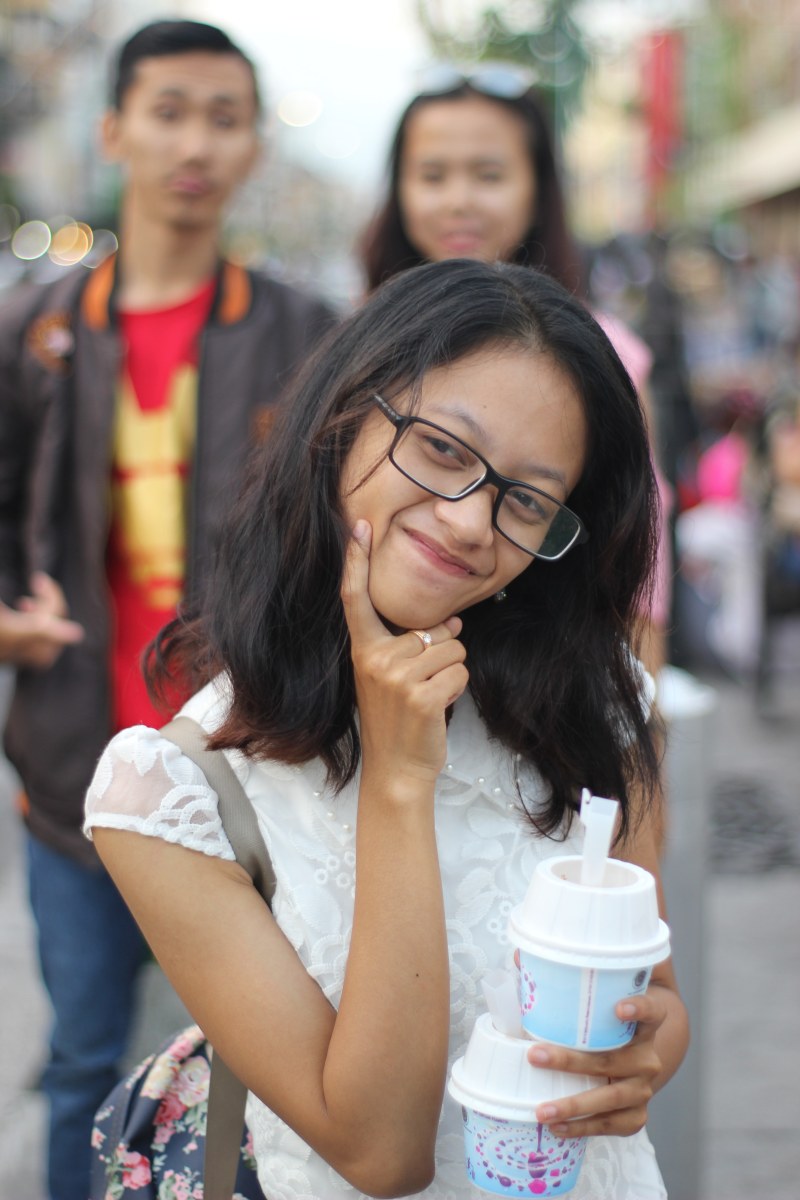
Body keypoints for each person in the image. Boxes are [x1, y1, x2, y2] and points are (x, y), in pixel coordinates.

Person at [85, 259, 689, 1200]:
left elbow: (656, 995)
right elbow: (381, 1153)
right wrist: (399, 784)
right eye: (443, 449)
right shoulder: (170, 792)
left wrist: (647, 1054)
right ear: (344, 418)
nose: (468, 522)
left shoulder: (597, 703)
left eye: (525, 500)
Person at [0, 19, 335, 1200]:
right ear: (114, 129)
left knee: (262, 1066)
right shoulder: (38, 328)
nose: (195, 141)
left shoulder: (301, 330)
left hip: (248, 772)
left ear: (251, 145)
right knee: (84, 1059)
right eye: (169, 109)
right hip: (71, 771)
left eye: (223, 116)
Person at [359, 65, 672, 678]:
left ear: (537, 188)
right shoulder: (359, 339)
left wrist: (640, 727)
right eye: (432, 174)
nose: (458, 200)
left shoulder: (606, 359)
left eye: (489, 174)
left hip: (528, 697)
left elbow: (638, 575)